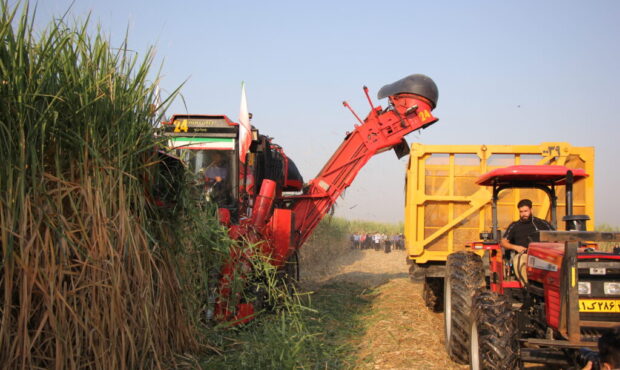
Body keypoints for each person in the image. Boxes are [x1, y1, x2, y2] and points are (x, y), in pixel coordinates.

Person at [500, 199, 553, 283]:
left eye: (525, 211)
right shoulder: (514, 226)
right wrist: (516, 247)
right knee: (519, 261)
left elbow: (555, 238)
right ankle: (527, 287)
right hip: (524, 255)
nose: (523, 214)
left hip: (542, 256)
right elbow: (503, 242)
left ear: (531, 210)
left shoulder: (542, 223)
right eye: (521, 212)